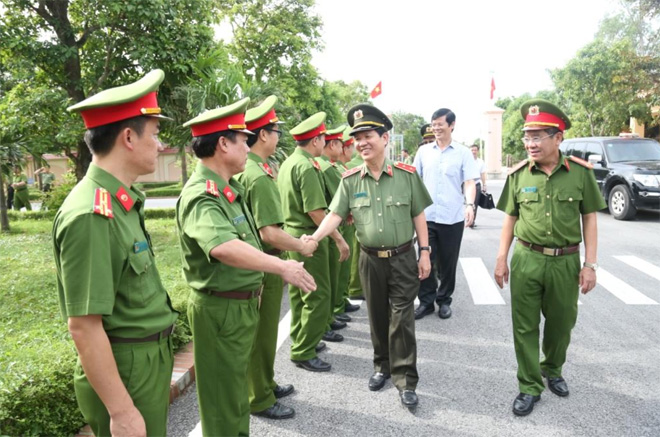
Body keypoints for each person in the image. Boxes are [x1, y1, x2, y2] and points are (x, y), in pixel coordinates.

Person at [177, 97, 316, 436]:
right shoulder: (202, 195)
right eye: (243, 139)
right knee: (224, 403)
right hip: (221, 308)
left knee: (237, 396)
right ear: (223, 143)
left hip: (238, 305)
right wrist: (281, 267)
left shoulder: (229, 189)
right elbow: (224, 247)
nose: (248, 145)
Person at [53, 69, 179, 436]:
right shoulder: (91, 215)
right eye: (154, 135)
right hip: (126, 369)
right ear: (127, 137)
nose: (159, 144)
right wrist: (122, 411)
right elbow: (84, 326)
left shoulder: (120, 201)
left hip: (142, 362)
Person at [310, 104, 433, 409]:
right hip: (369, 260)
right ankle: (382, 366)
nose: (362, 142)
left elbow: (419, 214)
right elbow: (335, 215)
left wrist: (425, 253)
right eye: (358, 137)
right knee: (376, 316)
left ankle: (405, 379)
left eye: (368, 136)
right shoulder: (350, 180)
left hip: (403, 256)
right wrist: (313, 239)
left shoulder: (407, 175)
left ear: (385, 137)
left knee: (402, 318)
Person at [494, 99, 606, 417]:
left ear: (558, 138)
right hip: (527, 258)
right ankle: (529, 385)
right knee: (524, 326)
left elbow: (590, 219)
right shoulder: (518, 176)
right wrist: (502, 258)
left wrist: (590, 265)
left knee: (561, 323)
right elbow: (510, 220)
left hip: (565, 261)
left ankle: (552, 368)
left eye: (538, 136)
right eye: (527, 137)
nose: (530, 143)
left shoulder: (580, 174)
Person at [236, 95, 317, 420]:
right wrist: (299, 246)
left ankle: (265, 383)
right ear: (264, 135)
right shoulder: (256, 175)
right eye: (275, 131)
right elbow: (268, 232)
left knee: (264, 334)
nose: (279, 136)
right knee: (263, 334)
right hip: (265, 262)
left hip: (260, 263)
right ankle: (259, 397)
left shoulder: (257, 169)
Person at [277, 112, 350, 373]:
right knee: (318, 294)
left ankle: (301, 337)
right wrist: (339, 239)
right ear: (317, 140)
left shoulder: (289, 162)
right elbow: (317, 211)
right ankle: (304, 349)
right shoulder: (307, 166)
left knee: (300, 294)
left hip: (293, 234)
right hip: (309, 237)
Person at [413, 108, 479, 320]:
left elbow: (469, 182)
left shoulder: (463, 153)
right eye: (434, 124)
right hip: (427, 217)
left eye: (440, 124)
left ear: (452, 125)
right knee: (425, 259)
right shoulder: (424, 152)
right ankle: (426, 302)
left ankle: (444, 301)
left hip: (452, 217)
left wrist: (469, 204)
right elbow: (414, 181)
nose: (437, 128)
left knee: (449, 262)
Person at [316, 124, 352, 328]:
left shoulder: (332, 166)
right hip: (330, 227)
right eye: (340, 145)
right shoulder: (326, 167)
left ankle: (334, 311)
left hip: (334, 225)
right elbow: (338, 201)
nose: (344, 150)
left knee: (337, 275)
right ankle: (329, 318)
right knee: (329, 280)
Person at [469, 144, 487, 228]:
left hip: (477, 184)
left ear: (478, 151)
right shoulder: (466, 161)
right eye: (472, 150)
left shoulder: (481, 162)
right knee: (469, 203)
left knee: (475, 203)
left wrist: (484, 184)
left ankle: (472, 220)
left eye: (475, 150)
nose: (473, 152)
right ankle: (469, 218)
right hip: (468, 184)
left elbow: (483, 174)